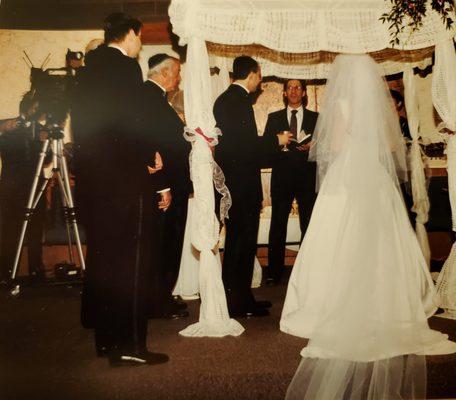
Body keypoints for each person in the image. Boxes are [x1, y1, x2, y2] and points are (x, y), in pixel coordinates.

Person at [280, 54, 455, 399]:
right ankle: (388, 302)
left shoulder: (341, 103)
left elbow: (336, 145)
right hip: (374, 176)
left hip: (347, 174)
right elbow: (392, 145)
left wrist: (326, 146)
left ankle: (331, 301)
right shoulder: (379, 105)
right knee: (383, 237)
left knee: (335, 236)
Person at [71, 13, 169, 366]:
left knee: (104, 260)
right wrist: (148, 155)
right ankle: (130, 346)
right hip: (125, 181)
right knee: (132, 265)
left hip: (95, 183)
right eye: (139, 38)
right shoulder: (125, 68)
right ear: (129, 35)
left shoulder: (86, 71)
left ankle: (108, 341)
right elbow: (130, 121)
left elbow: (87, 131)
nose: (140, 45)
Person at [213, 56, 292, 317]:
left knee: (241, 245)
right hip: (241, 186)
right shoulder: (237, 101)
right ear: (252, 74)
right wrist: (276, 140)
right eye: (259, 75)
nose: (260, 81)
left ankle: (241, 299)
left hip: (237, 184)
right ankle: (237, 302)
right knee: (241, 245)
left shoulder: (229, 99)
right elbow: (244, 148)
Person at [143, 54, 191, 319]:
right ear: (163, 73)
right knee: (166, 244)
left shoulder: (156, 97)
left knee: (167, 244)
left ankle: (162, 297)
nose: (179, 76)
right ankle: (159, 302)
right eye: (177, 71)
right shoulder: (151, 98)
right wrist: (162, 187)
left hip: (172, 184)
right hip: (167, 187)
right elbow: (153, 148)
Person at [263, 79, 319, 285]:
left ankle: (308, 270)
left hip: (307, 178)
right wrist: (278, 143)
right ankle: (274, 272)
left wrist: (313, 147)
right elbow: (267, 149)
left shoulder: (316, 117)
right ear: (285, 93)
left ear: (304, 92)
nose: (294, 91)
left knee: (309, 224)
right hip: (282, 178)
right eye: (290, 88)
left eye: (298, 88)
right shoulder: (274, 117)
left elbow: (326, 146)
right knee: (278, 224)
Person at [0, 91, 46, 284]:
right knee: (9, 231)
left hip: (36, 186)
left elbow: (48, 160)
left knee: (36, 230)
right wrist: (2, 129)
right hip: (12, 187)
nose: (36, 111)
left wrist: (47, 145)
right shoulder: (7, 126)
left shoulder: (41, 130)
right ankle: (5, 273)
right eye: (34, 108)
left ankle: (37, 272)